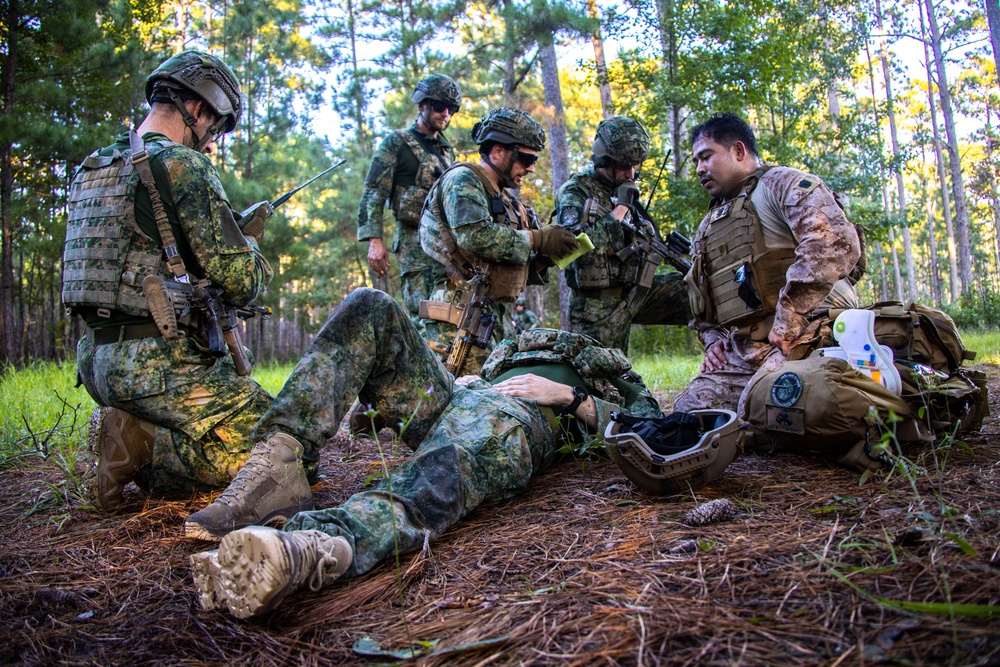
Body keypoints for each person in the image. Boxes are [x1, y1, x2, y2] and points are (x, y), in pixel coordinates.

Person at [186, 288, 664, 619]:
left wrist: (569, 397)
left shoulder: (609, 372)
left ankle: (315, 547)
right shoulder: (509, 349)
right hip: (461, 396)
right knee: (371, 307)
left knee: (444, 466)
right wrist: (468, 383)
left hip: (519, 418)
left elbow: (653, 428)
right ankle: (279, 463)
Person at [62, 51, 274, 510]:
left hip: (96, 360)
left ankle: (130, 426)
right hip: (157, 364)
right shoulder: (182, 165)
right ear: (198, 108)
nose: (212, 142)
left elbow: (138, 254)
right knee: (285, 449)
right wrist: (249, 241)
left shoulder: (94, 166)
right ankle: (142, 443)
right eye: (214, 128)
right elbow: (244, 282)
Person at [673, 112, 863, 414]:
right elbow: (701, 298)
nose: (699, 169)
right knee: (688, 414)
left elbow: (835, 243)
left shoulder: (782, 184)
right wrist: (712, 343)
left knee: (762, 404)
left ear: (738, 150)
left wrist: (790, 316)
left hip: (810, 332)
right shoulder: (709, 225)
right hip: (748, 348)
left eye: (706, 157)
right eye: (696, 161)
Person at [418, 107, 579, 374]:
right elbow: (475, 236)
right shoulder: (463, 179)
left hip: (489, 315)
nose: (530, 168)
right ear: (497, 151)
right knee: (459, 397)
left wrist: (547, 254)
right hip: (460, 314)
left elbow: (508, 261)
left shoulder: (507, 201)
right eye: (526, 159)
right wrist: (537, 239)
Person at [554, 116, 690, 353]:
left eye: (635, 166)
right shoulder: (576, 191)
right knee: (604, 382)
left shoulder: (623, 189)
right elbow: (570, 252)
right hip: (596, 306)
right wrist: (621, 209)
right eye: (624, 165)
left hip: (636, 291)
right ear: (604, 160)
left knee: (698, 290)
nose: (631, 173)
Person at [356, 74, 461, 326]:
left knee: (448, 319)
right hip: (414, 247)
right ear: (422, 105)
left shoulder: (447, 152)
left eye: (451, 109)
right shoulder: (397, 143)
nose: (445, 113)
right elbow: (373, 191)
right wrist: (374, 240)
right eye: (438, 106)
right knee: (423, 317)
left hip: (445, 247)